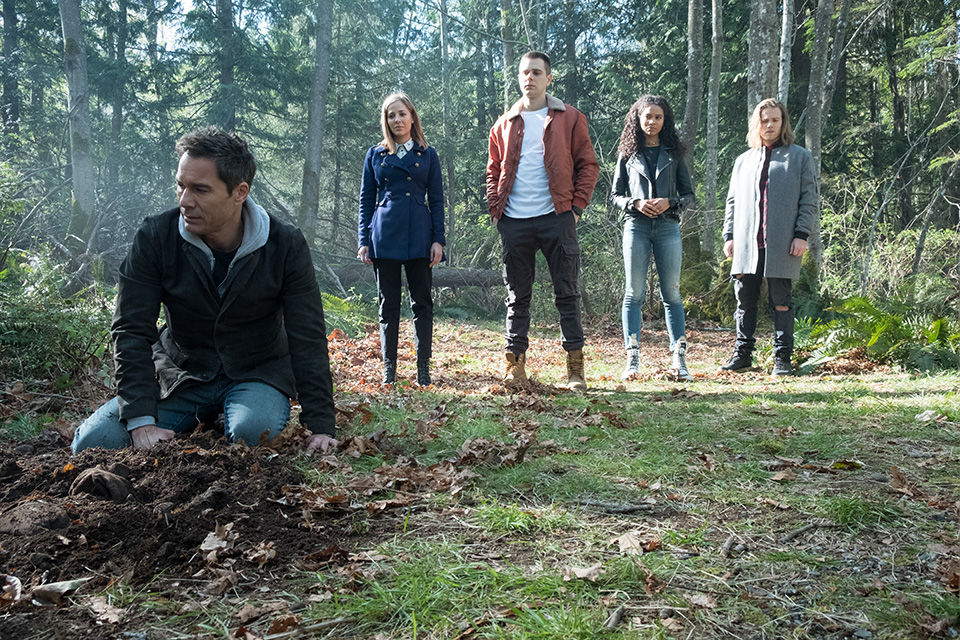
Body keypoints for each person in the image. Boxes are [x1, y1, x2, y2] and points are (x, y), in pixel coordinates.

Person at [72, 126, 337, 454]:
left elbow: (307, 336)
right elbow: (131, 330)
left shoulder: (285, 244)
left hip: (257, 372)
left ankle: (235, 411)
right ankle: (199, 414)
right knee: (92, 441)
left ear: (240, 192)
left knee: (252, 432)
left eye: (200, 189)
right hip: (180, 373)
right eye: (180, 186)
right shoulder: (156, 237)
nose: (185, 201)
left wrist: (321, 424)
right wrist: (141, 420)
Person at [486, 51, 599, 390]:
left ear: (548, 78)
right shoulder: (503, 124)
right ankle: (514, 366)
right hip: (514, 221)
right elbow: (493, 171)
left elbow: (588, 165)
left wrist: (575, 208)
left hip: (557, 218)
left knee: (567, 293)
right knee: (516, 296)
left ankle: (575, 369)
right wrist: (497, 212)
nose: (529, 78)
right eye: (524, 72)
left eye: (536, 72)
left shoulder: (570, 118)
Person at [720, 98, 819, 377]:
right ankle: (742, 355)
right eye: (765, 120)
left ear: (783, 122)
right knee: (744, 299)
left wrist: (801, 234)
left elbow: (809, 199)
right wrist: (729, 235)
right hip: (746, 242)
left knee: (781, 300)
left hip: (783, 241)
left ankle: (782, 358)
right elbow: (732, 201)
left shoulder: (799, 157)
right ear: (757, 124)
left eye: (775, 120)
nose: (770, 125)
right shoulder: (743, 160)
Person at [358, 92, 445, 386]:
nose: (397, 120)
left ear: (412, 117)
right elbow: (366, 200)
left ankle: (423, 369)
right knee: (388, 305)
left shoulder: (428, 154)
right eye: (391, 115)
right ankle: (389, 370)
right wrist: (363, 239)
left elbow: (437, 200)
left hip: (420, 235)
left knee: (422, 303)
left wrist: (438, 239)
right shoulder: (375, 154)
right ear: (386, 120)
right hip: (385, 235)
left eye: (402, 114)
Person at [611, 95, 695, 381]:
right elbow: (615, 195)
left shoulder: (674, 153)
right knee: (633, 293)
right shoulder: (627, 153)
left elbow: (689, 194)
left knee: (672, 293)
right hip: (636, 226)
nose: (652, 121)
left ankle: (679, 360)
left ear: (664, 120)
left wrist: (670, 202)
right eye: (647, 116)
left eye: (658, 117)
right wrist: (634, 203)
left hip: (668, 227)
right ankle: (632, 359)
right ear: (638, 118)